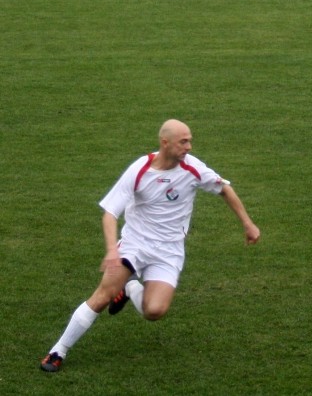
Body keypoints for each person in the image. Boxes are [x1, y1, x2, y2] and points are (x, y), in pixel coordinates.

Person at [40, 119, 261, 373]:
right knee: (103, 296)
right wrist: (113, 250)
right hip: (135, 244)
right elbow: (110, 213)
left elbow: (224, 190)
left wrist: (248, 224)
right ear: (165, 143)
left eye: (190, 140)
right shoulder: (139, 170)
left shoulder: (193, 168)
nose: (189, 147)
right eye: (183, 142)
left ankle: (131, 286)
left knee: (154, 311)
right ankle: (58, 351)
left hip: (169, 250)